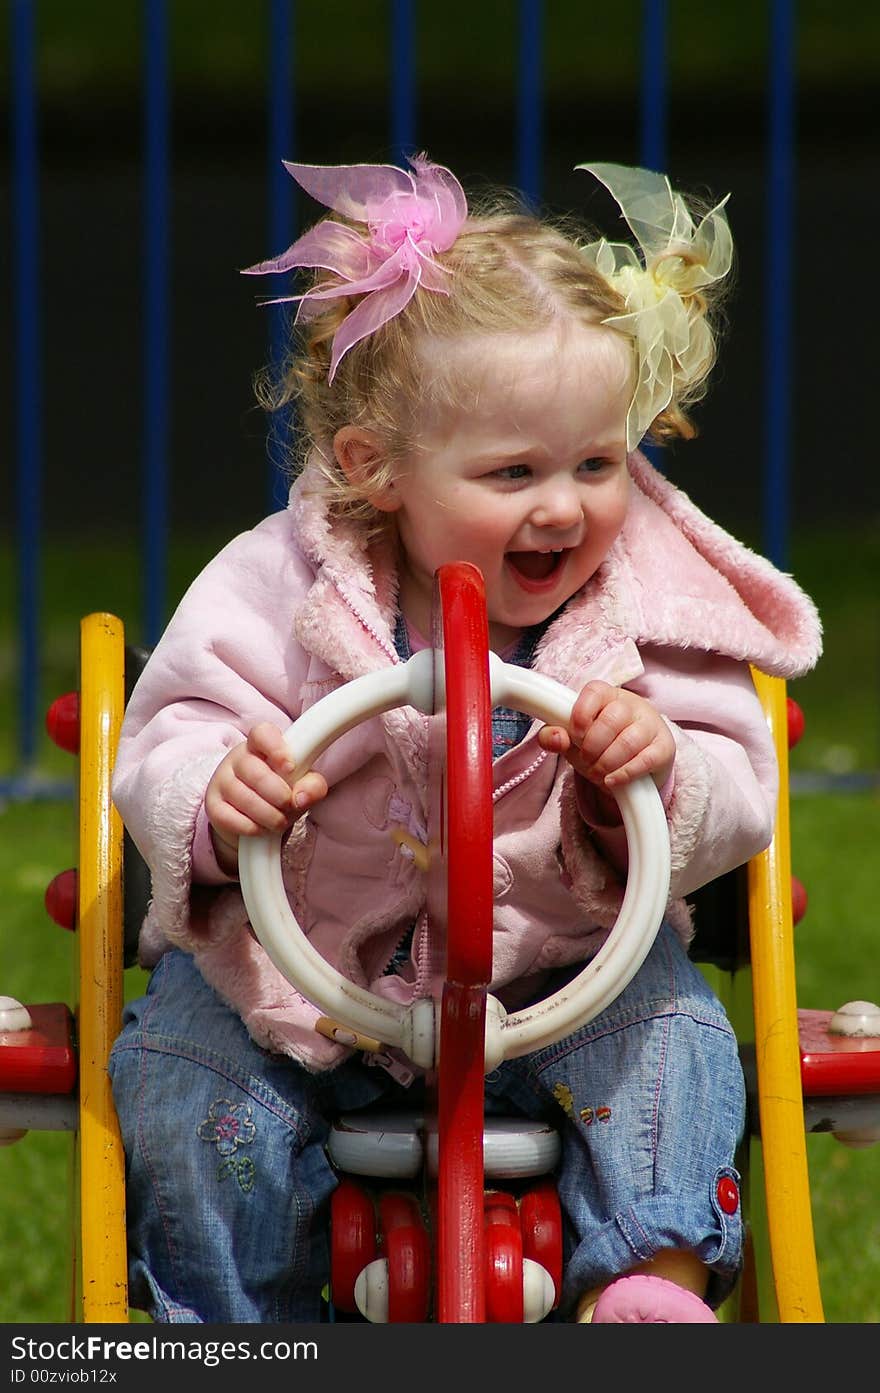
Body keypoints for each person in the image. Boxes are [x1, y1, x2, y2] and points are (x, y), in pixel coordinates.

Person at [109, 154, 821, 1324]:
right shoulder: (280, 583)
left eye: (598, 464)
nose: (565, 505)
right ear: (374, 468)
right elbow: (178, 724)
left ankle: (649, 1282)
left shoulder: (646, 606)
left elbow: (733, 788)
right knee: (186, 1081)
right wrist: (215, 790)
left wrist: (649, 773)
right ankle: (233, 1326)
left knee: (681, 1040)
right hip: (299, 980)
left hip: (568, 972)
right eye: (512, 472)